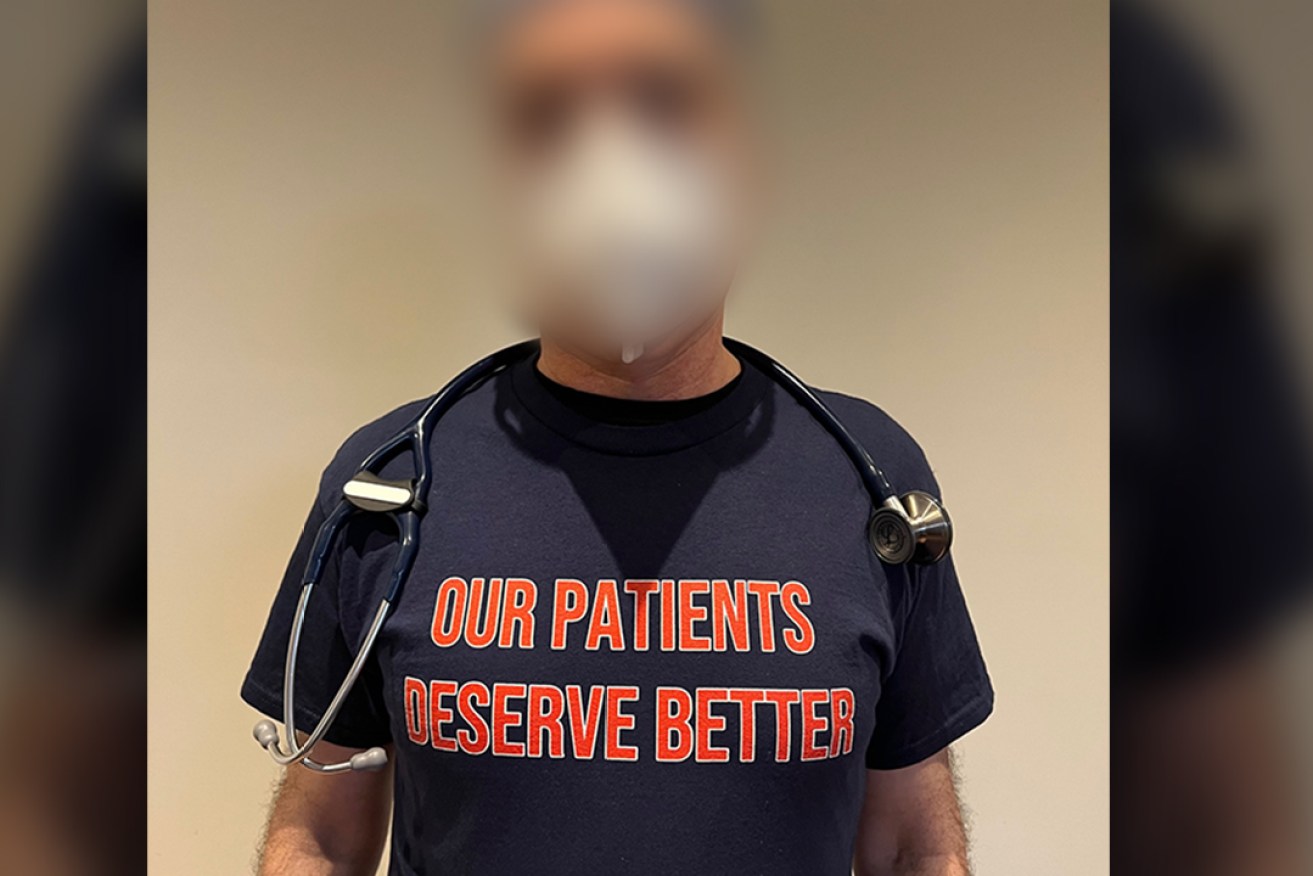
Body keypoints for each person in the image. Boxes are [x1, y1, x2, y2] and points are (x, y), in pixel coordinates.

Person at [241, 1, 992, 873]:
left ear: (744, 156)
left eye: (663, 101)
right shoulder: (389, 481)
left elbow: (909, 841)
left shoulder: (869, 479)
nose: (610, 167)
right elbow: (321, 833)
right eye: (548, 117)